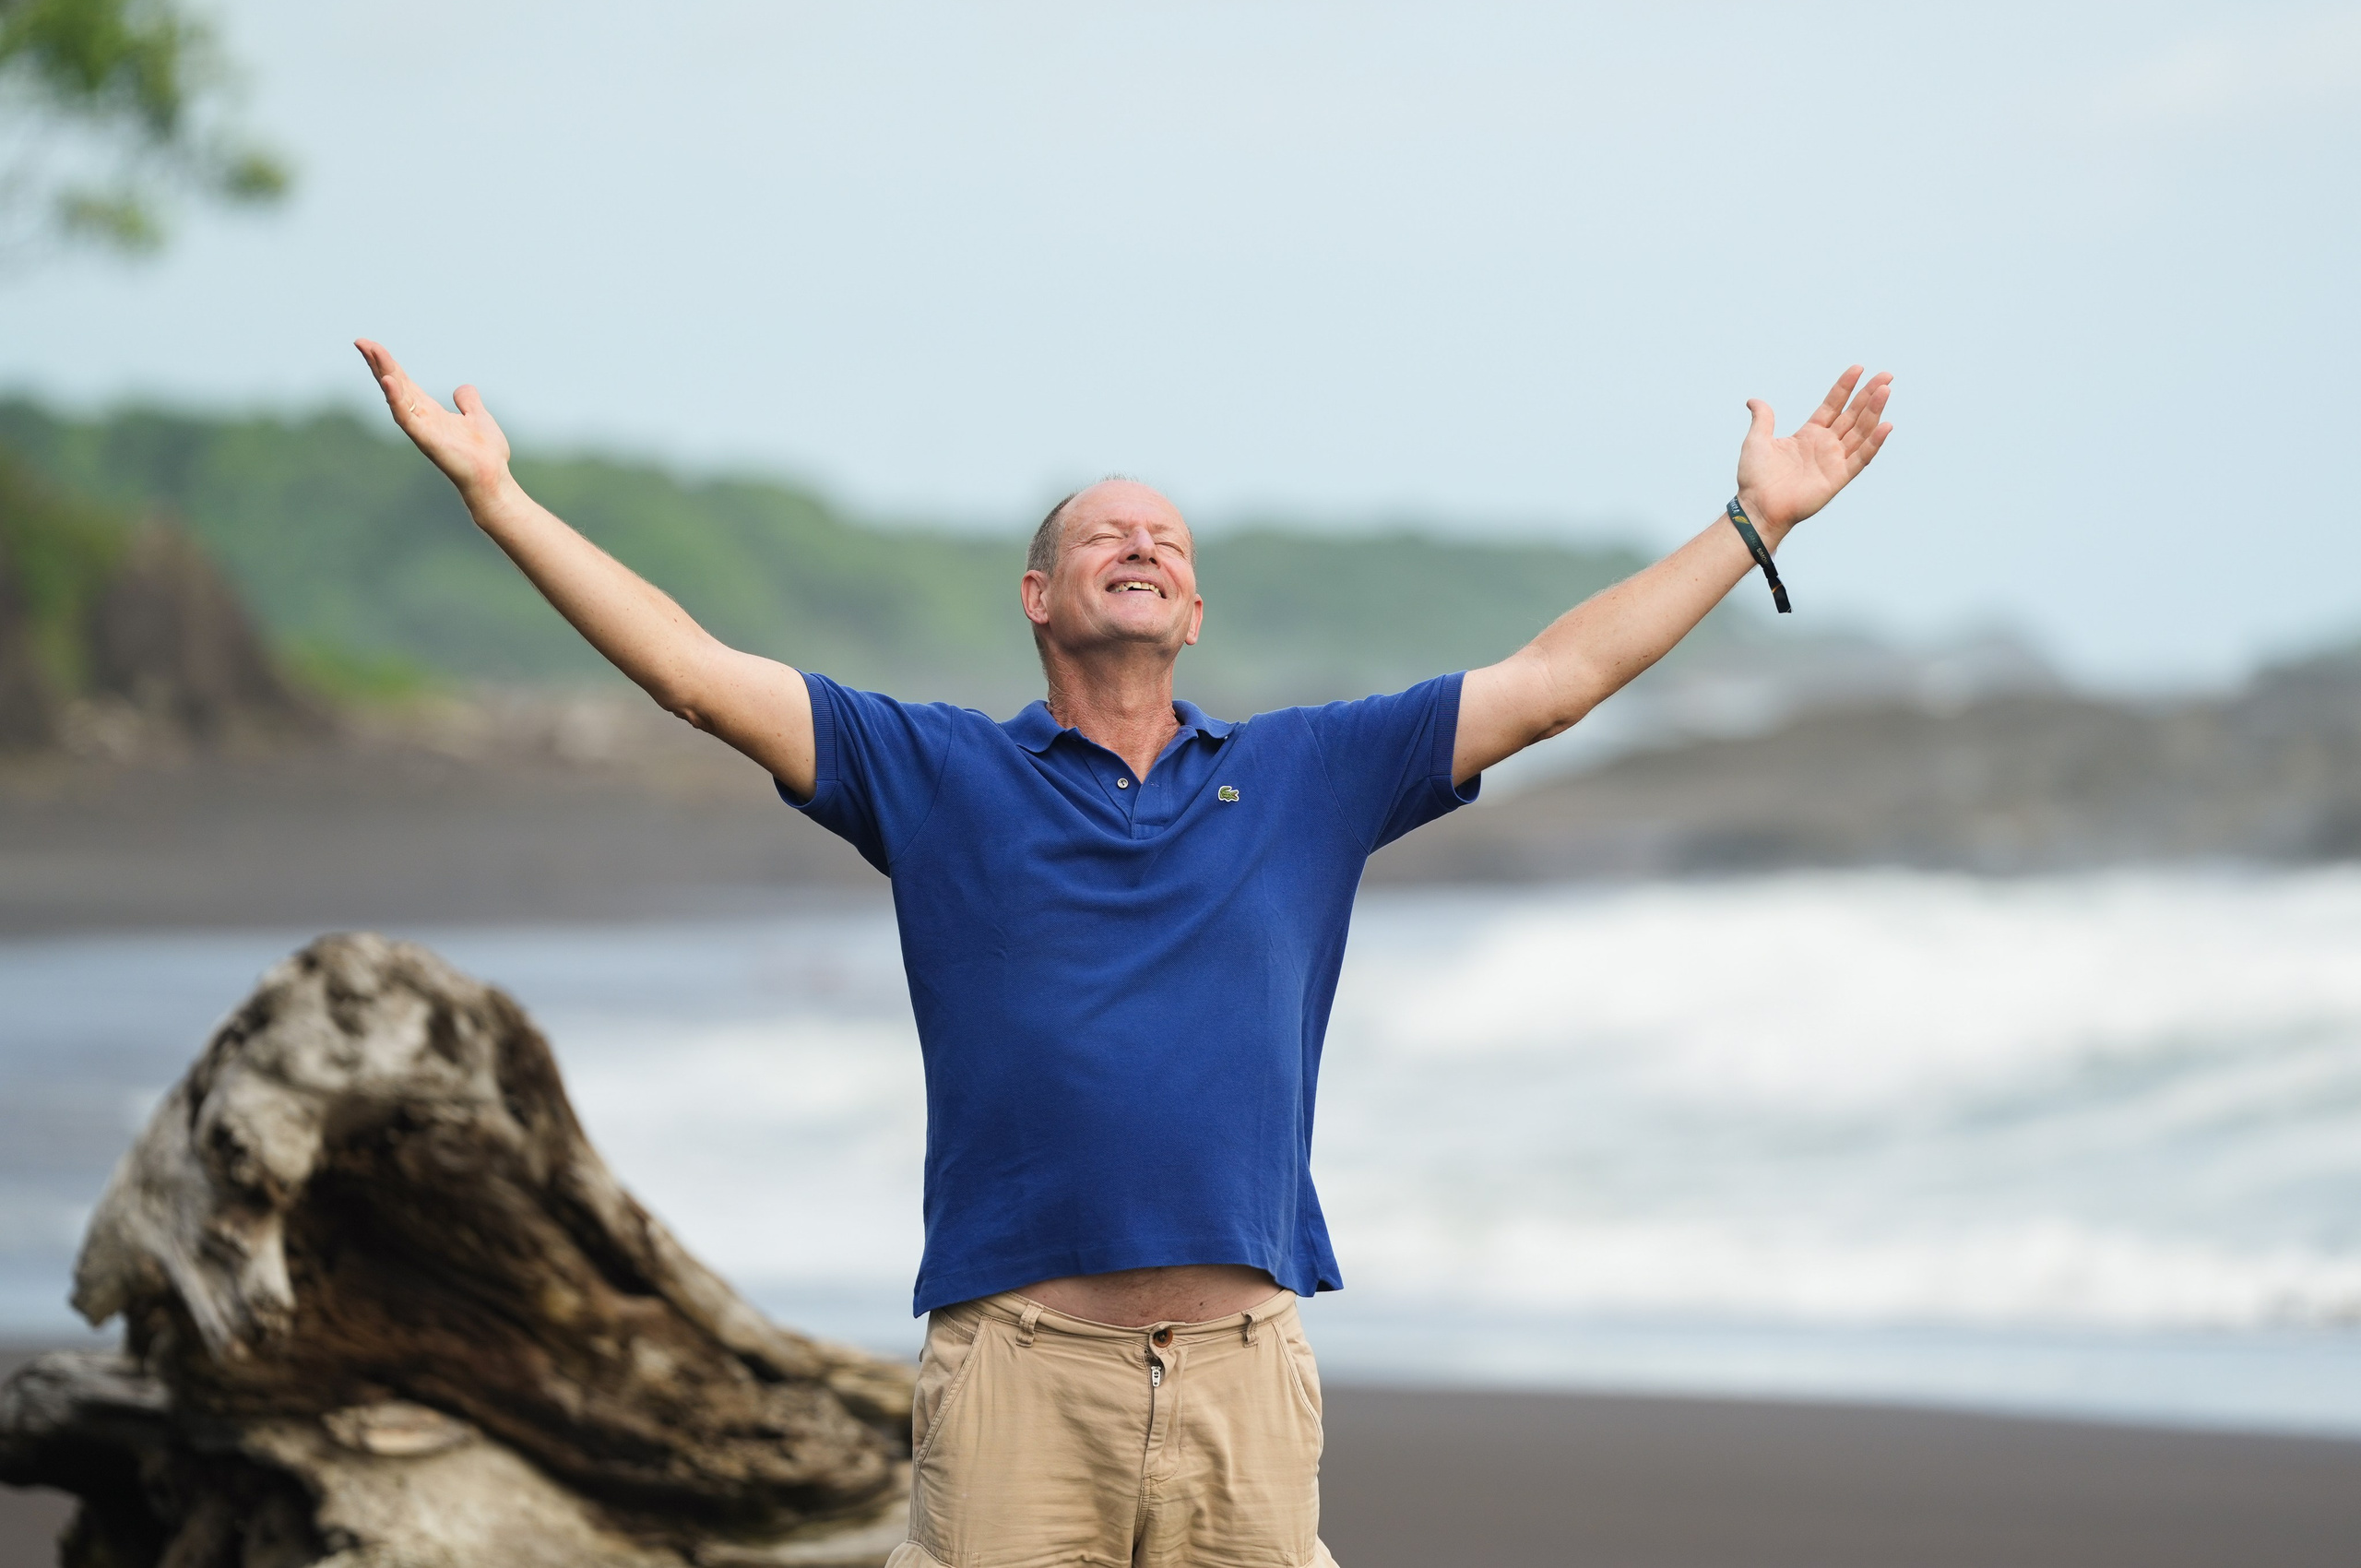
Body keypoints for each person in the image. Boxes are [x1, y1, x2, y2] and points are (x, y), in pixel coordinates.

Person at [355, 339, 1892, 1568]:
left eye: (1166, 538)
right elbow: (695, 673)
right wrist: (499, 498)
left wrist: (1750, 526)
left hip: (1246, 1378)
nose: (1141, 542)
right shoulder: (936, 772)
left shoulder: (1310, 772)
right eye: (1106, 533)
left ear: (1196, 609)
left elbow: (1555, 680)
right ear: (1041, 597)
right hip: (1018, 1372)